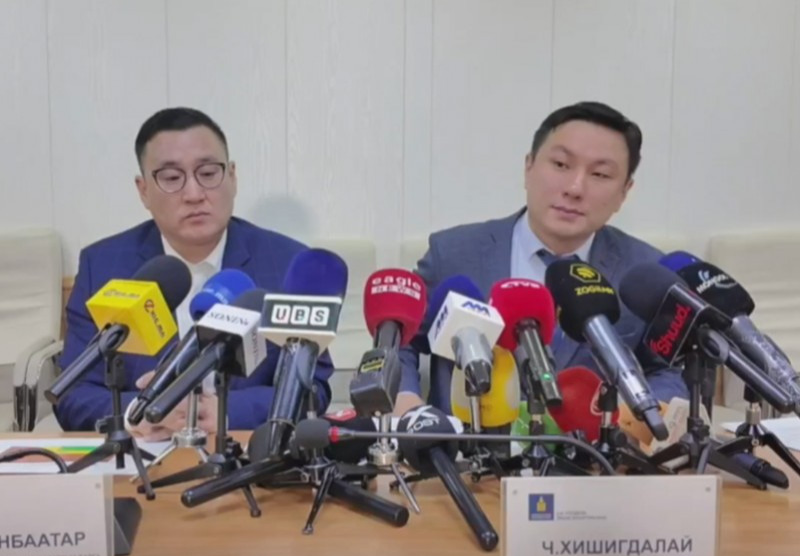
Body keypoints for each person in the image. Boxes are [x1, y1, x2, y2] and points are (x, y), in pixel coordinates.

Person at [56, 107, 334, 439]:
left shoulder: (288, 263)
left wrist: (228, 411)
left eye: (208, 173)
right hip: (144, 452)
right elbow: (73, 393)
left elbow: (312, 387)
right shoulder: (104, 266)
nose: (194, 194)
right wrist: (139, 412)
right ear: (143, 190)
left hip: (245, 450)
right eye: (172, 178)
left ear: (232, 177)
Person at [397, 101, 688, 415]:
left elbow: (668, 371)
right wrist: (406, 401)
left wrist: (634, 417)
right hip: (470, 443)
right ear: (529, 167)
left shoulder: (645, 273)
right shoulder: (454, 253)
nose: (575, 188)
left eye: (600, 174)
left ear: (624, 193)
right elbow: (399, 343)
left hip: (594, 444)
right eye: (561, 165)